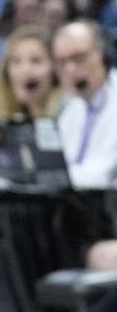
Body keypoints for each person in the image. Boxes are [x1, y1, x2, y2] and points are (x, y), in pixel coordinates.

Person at [51, 20, 117, 189]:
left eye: (78, 58)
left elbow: (104, 174)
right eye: (62, 62)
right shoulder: (70, 110)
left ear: (103, 55)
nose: (70, 69)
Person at [0, 25, 63, 124]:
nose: (25, 70)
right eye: (16, 62)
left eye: (36, 61)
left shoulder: (70, 115)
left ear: (55, 68)